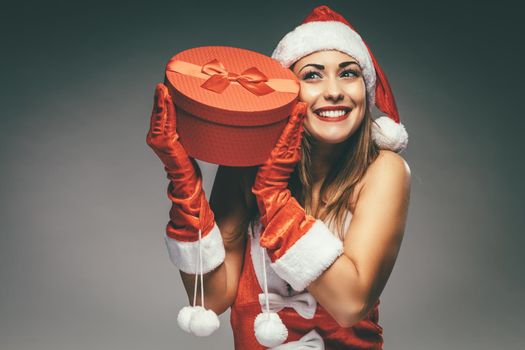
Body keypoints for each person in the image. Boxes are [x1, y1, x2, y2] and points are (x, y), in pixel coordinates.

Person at [147, 5, 410, 350]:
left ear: (366, 88)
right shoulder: (245, 168)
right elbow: (212, 300)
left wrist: (273, 199)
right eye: (313, 76)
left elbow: (350, 303)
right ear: (287, 93)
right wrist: (184, 185)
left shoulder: (383, 170)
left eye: (348, 74)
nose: (334, 91)